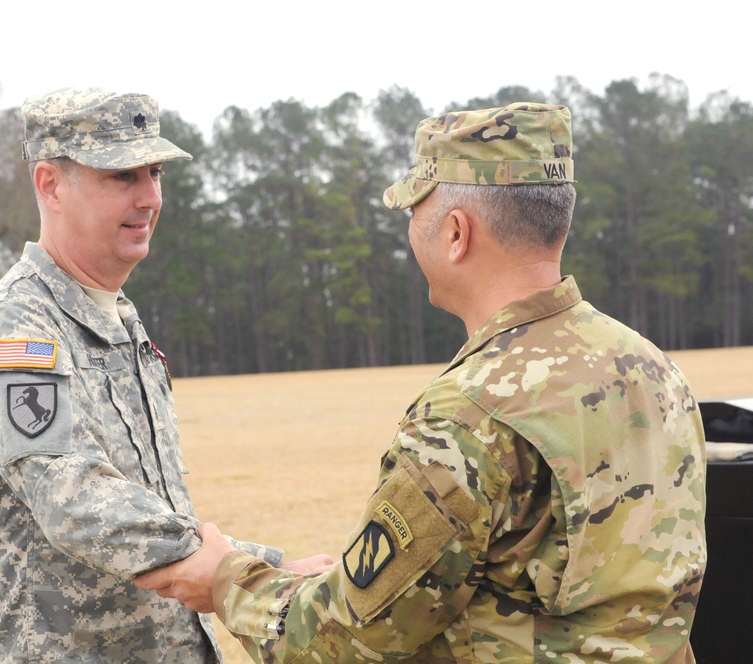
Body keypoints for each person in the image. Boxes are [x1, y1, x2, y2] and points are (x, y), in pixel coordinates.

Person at [136, 103, 708, 662]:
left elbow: (342, 642)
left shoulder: (472, 411)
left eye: (414, 212)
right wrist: (337, 579)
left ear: (456, 233)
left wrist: (229, 582)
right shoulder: (652, 367)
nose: (409, 233)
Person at [0, 87, 288, 663]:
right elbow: (75, 497)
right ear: (50, 185)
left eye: (155, 173)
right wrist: (256, 571)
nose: (149, 198)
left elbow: (151, 504)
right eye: (122, 176)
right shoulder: (17, 328)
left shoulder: (118, 317)